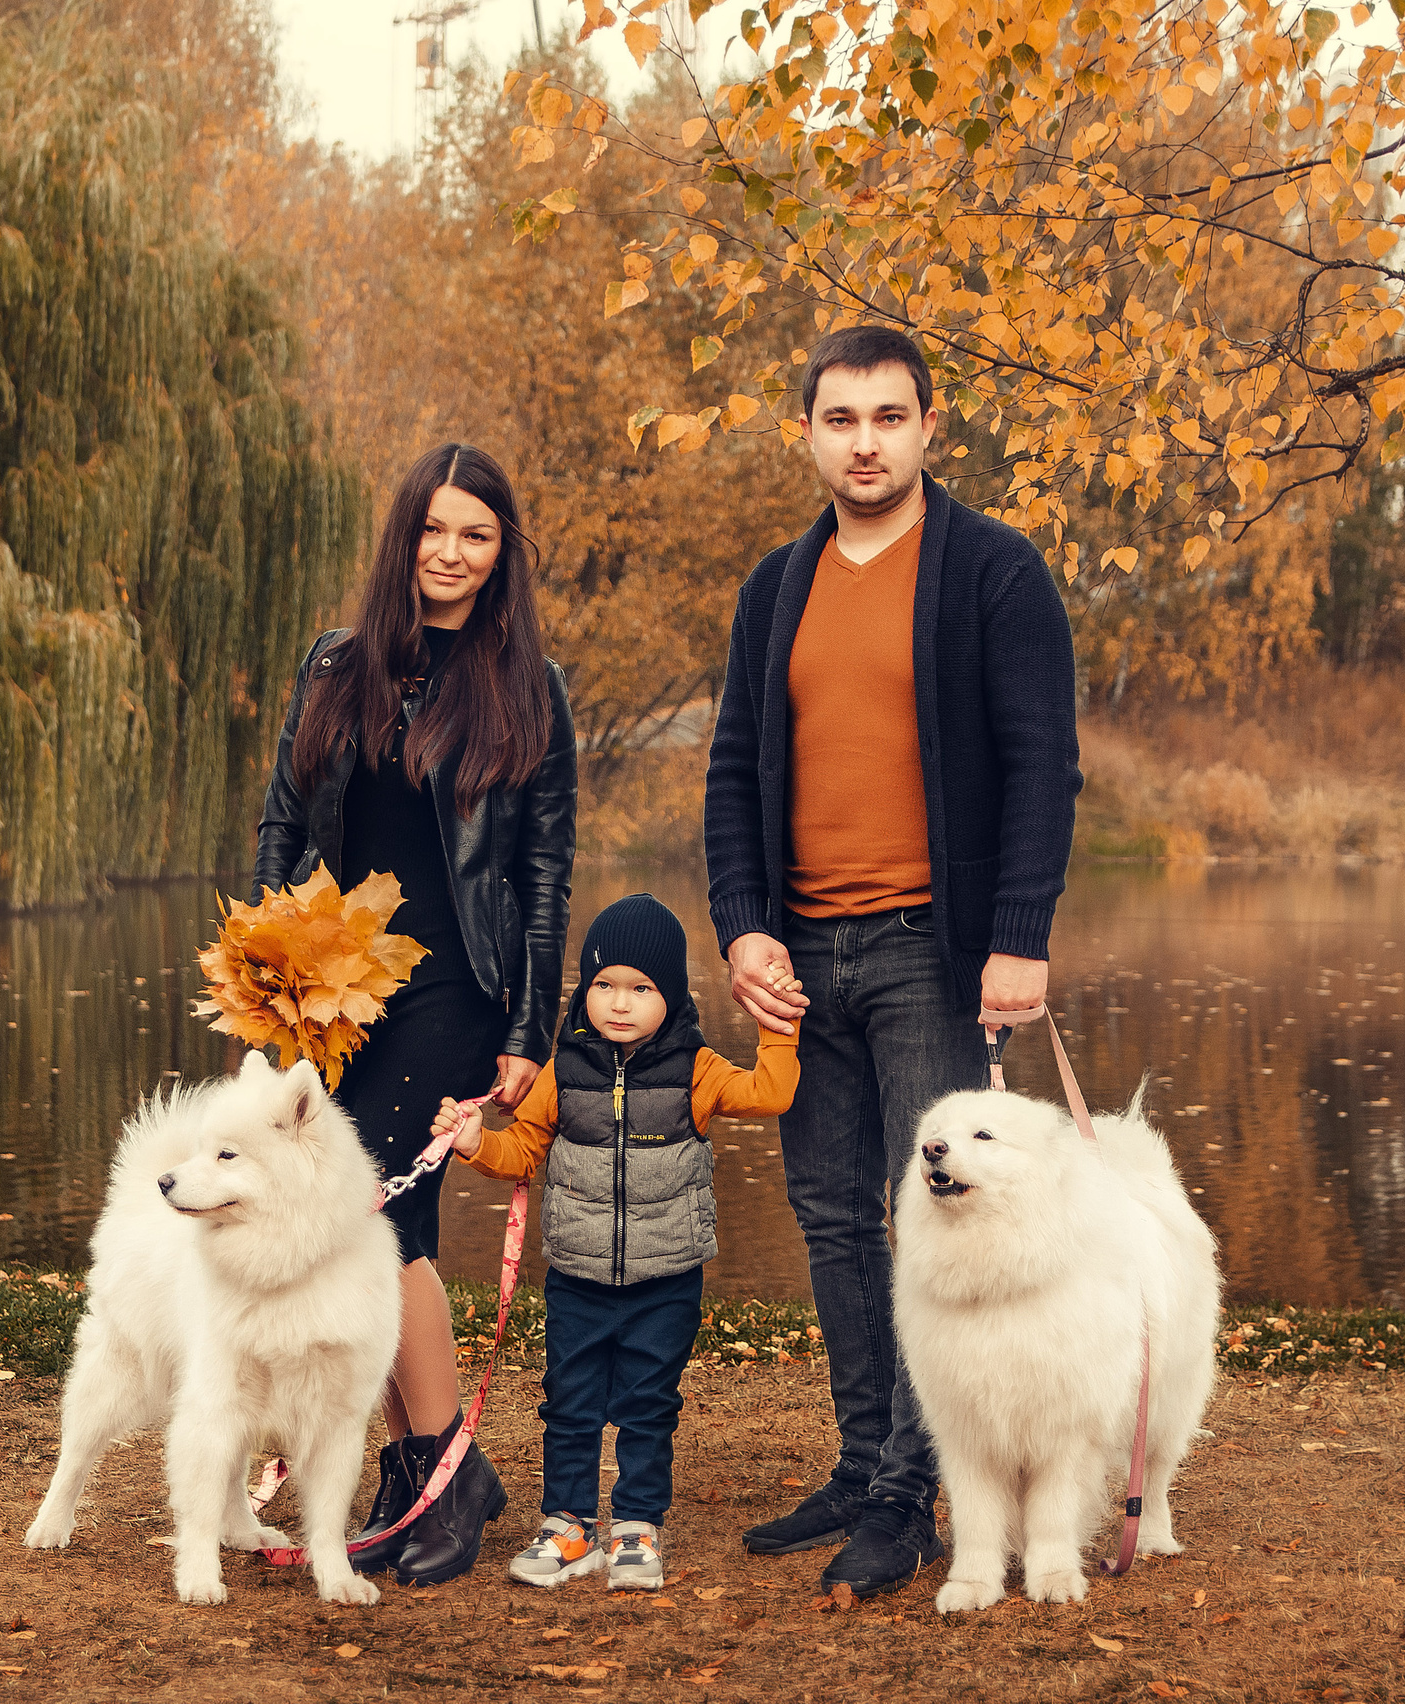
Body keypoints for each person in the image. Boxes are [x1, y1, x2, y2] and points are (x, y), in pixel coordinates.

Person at [704, 324, 1082, 1597]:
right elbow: (734, 773)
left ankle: (914, 1494)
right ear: (805, 432)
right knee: (829, 1218)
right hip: (801, 959)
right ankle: (866, 1461)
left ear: (929, 427)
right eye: (838, 418)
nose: (863, 440)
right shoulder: (774, 587)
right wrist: (745, 924)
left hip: (932, 948)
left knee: (932, 1215)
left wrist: (1019, 937)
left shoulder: (991, 573)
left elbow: (1041, 766)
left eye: (886, 416)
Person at [255, 441, 578, 1588]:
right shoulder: (335, 665)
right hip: (340, 992)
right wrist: (267, 975)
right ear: (406, 537)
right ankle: (410, 1468)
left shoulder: (526, 686)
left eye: (476, 535)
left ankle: (447, 1469)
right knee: (355, 1234)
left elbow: (544, 874)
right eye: (435, 530)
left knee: (380, 1216)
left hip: (458, 987)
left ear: (502, 554)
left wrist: (529, 1033)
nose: (451, 553)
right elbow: (284, 827)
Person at [428, 893, 799, 1590]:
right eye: (604, 985)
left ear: (673, 997)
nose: (619, 1003)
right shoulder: (562, 1072)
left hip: (667, 1280)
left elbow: (773, 1092)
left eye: (641, 988)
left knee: (647, 1403)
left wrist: (777, 1024)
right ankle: (569, 1527)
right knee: (568, 1401)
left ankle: (634, 1528)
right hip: (577, 1276)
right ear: (583, 990)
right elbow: (523, 1155)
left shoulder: (698, 1068)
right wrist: (477, 1143)